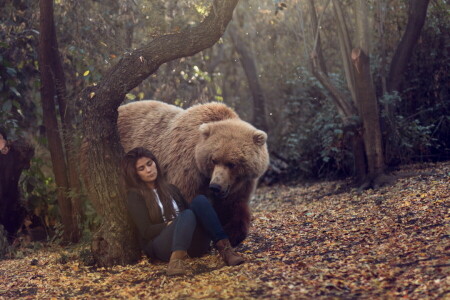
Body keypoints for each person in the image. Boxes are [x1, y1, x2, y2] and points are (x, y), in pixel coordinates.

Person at [122, 147, 244, 276]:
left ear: (155, 163)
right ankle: (176, 262)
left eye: (149, 164)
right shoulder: (135, 196)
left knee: (200, 201)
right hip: (163, 246)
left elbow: (188, 216)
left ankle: (225, 250)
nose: (148, 170)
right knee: (187, 214)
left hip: (193, 245)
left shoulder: (171, 189)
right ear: (135, 174)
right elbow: (146, 231)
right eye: (141, 168)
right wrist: (168, 224)